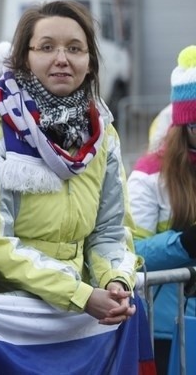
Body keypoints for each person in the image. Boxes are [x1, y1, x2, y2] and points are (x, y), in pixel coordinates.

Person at [0, 0, 139, 324]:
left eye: (75, 48)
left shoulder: (102, 135)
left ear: (91, 63)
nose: (62, 59)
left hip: (75, 320)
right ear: (23, 59)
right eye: (46, 47)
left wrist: (115, 281)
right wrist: (78, 294)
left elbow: (111, 229)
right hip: (3, 322)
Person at [127, 45, 196, 374]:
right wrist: (184, 243)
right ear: (183, 126)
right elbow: (130, 252)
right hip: (167, 326)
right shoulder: (149, 174)